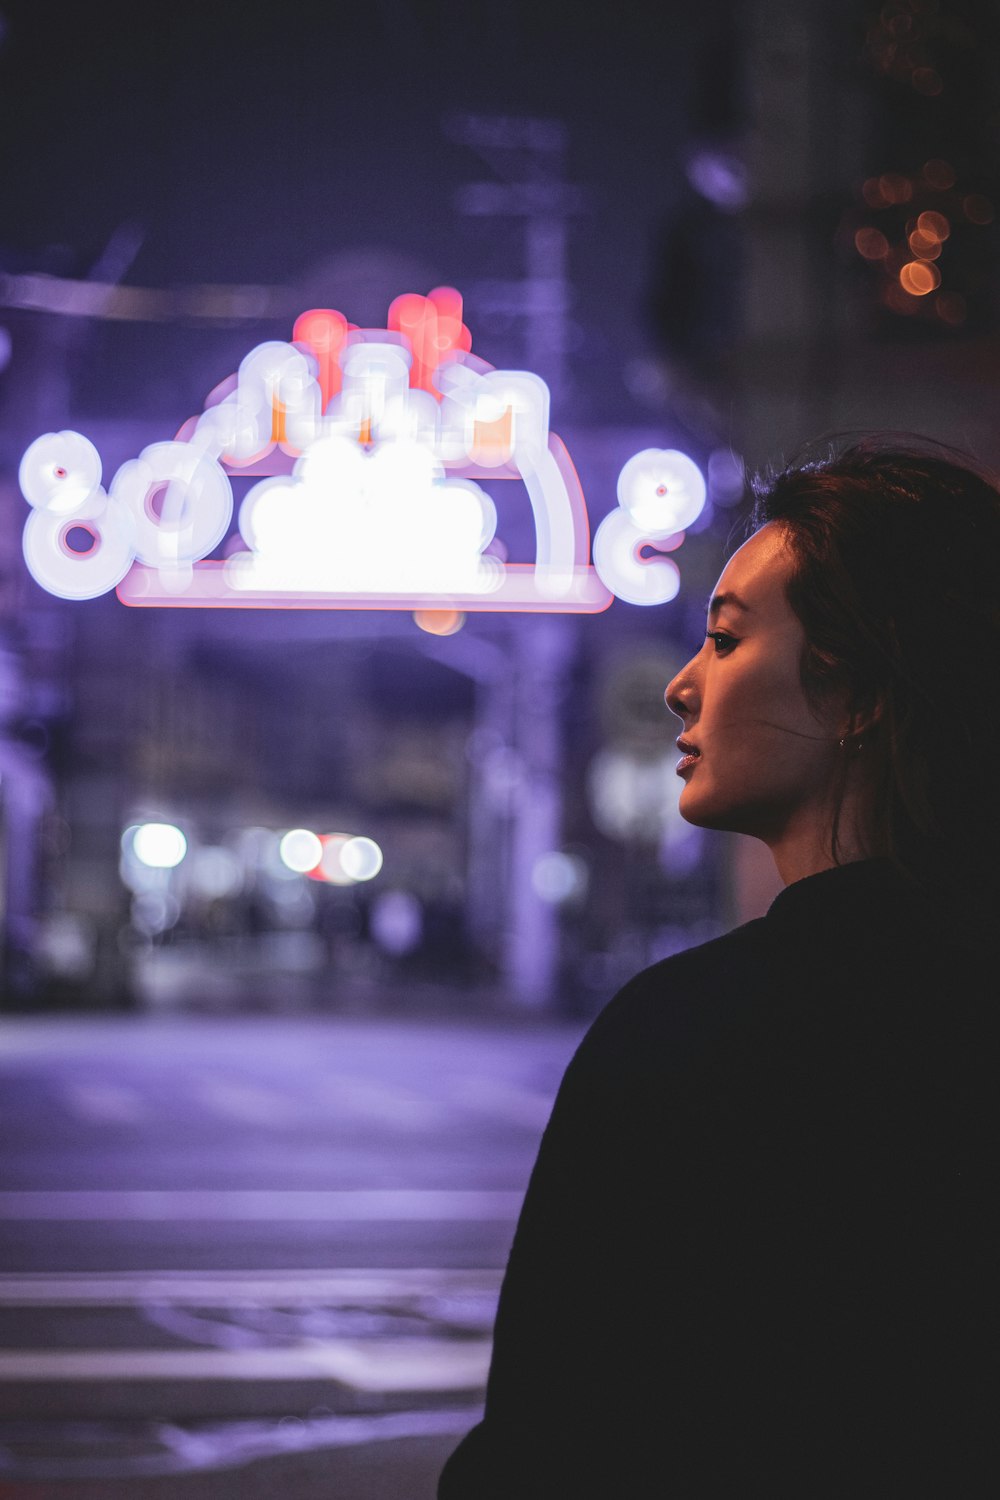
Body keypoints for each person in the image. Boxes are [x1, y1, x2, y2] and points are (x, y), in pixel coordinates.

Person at [438, 437, 998, 1498]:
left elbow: (550, 1438)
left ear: (861, 690)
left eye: (728, 639)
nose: (682, 689)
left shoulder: (688, 1037)